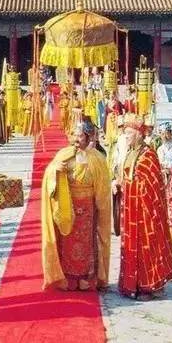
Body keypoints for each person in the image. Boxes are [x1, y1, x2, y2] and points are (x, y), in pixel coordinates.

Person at [41, 120, 111, 291]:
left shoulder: (97, 158)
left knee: (87, 244)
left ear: (87, 137)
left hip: (88, 208)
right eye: (74, 135)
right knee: (67, 241)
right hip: (68, 206)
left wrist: (99, 205)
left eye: (80, 135)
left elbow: (103, 187)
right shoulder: (64, 154)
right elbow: (49, 174)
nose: (76, 139)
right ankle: (68, 277)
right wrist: (56, 170)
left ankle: (86, 278)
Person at [116, 114, 172, 300]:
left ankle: (149, 285)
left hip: (145, 211)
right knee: (131, 246)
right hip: (131, 209)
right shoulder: (130, 152)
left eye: (129, 133)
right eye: (125, 133)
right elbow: (126, 177)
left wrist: (128, 185)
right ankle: (132, 284)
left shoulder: (148, 154)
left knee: (147, 247)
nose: (126, 136)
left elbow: (151, 185)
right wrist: (118, 184)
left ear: (139, 134)